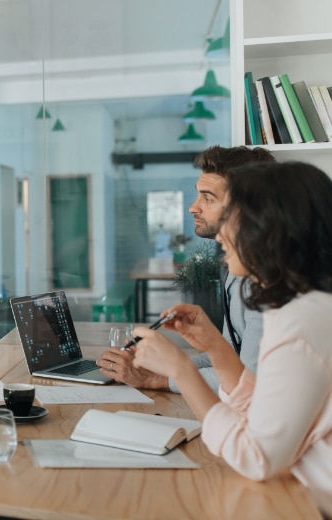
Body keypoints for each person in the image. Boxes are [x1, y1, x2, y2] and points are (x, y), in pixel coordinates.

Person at [130, 161, 332, 516]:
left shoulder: (298, 322)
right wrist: (215, 347)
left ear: (270, 229)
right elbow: (267, 411)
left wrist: (180, 369)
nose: (221, 233)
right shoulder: (310, 306)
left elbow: (256, 458)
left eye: (232, 218)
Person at [98, 145, 275, 392]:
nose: (194, 207)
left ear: (244, 207)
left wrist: (155, 380)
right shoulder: (235, 271)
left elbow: (248, 381)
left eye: (208, 197)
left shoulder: (270, 284)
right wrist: (156, 368)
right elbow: (228, 358)